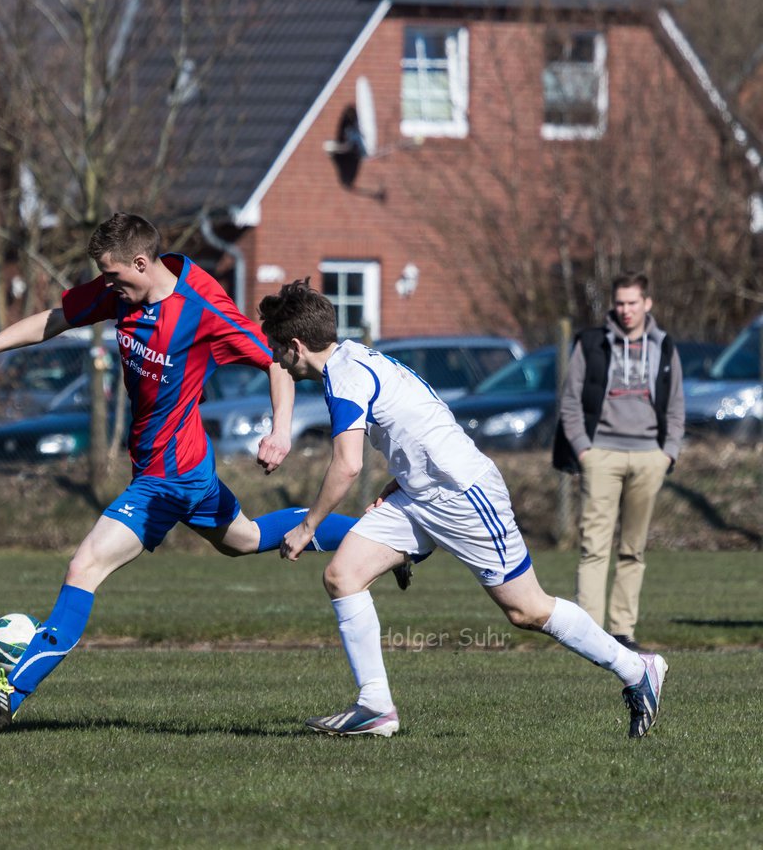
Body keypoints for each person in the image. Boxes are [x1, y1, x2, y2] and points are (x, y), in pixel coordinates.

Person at [0, 212, 363, 733]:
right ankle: (375, 537)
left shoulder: (202, 307)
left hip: (169, 476)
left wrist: (280, 431)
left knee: (84, 568)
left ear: (141, 263)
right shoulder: (124, 292)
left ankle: (13, 693)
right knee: (245, 538)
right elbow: (58, 317)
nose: (109, 285)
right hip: (184, 468)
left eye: (115, 274)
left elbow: (276, 362)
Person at [259, 279, 667, 739]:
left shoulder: (347, 376)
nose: (273, 359)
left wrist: (307, 526)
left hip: (463, 493)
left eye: (276, 349)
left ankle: (637, 668)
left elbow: (347, 465)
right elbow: (421, 416)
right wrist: (404, 478)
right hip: (419, 493)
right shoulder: (354, 357)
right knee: (342, 576)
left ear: (295, 346)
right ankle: (375, 706)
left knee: (526, 610)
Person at [553, 272, 685, 652]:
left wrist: (667, 453)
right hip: (601, 456)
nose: (626, 310)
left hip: (649, 456)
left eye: (633, 302)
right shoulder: (592, 344)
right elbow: (571, 399)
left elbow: (676, 403)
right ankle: (588, 634)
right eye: (620, 303)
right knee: (594, 545)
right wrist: (583, 450)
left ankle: (622, 632)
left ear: (647, 303)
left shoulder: (664, 346)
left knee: (634, 548)